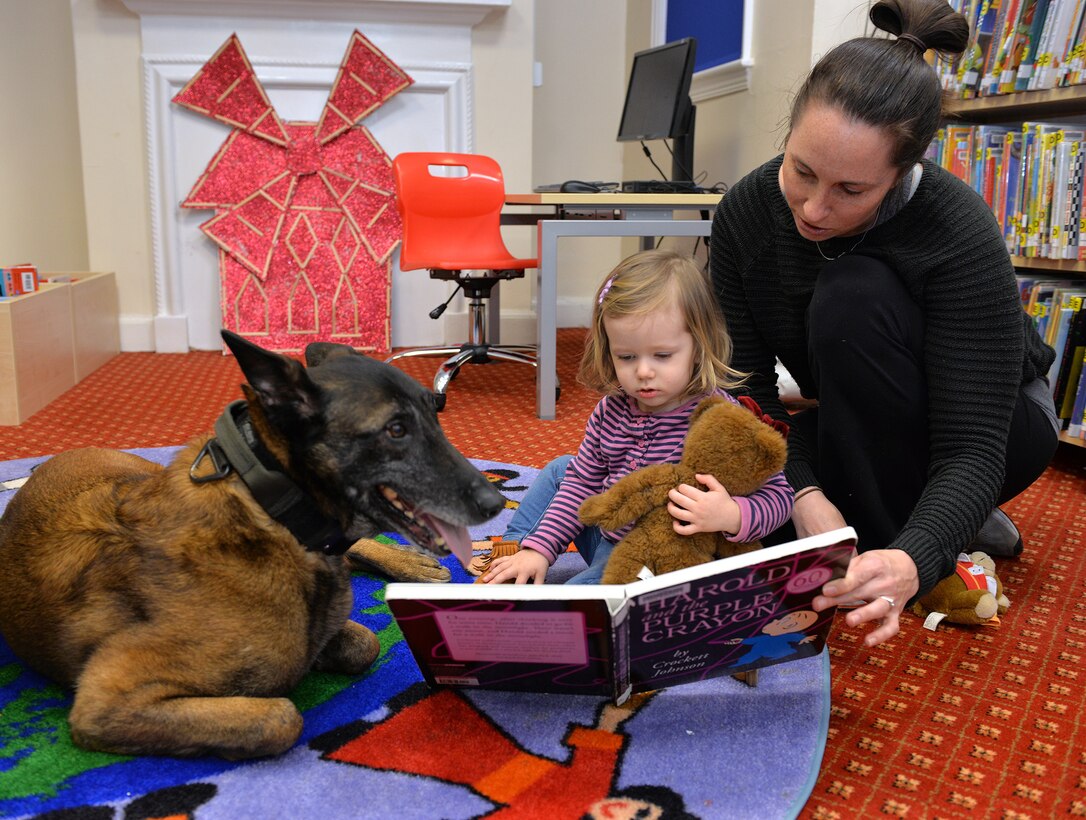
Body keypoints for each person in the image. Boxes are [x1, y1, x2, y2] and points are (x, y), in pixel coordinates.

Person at [708, 0, 1060, 647]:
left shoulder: (959, 229)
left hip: (1000, 423)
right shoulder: (743, 218)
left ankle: (931, 526)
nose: (813, 209)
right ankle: (940, 517)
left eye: (851, 191)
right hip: (860, 410)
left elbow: (971, 445)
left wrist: (911, 563)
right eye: (801, 171)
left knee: (851, 293)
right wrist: (803, 493)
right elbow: (746, 394)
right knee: (746, 475)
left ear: (901, 175)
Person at [480, 249, 794, 585]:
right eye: (626, 356)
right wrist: (539, 549)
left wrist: (731, 515)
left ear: (700, 346)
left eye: (662, 355)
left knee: (576, 606)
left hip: (656, 566)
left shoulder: (722, 419)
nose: (643, 371)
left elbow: (779, 497)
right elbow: (580, 485)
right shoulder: (612, 408)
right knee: (563, 469)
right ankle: (514, 556)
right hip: (608, 537)